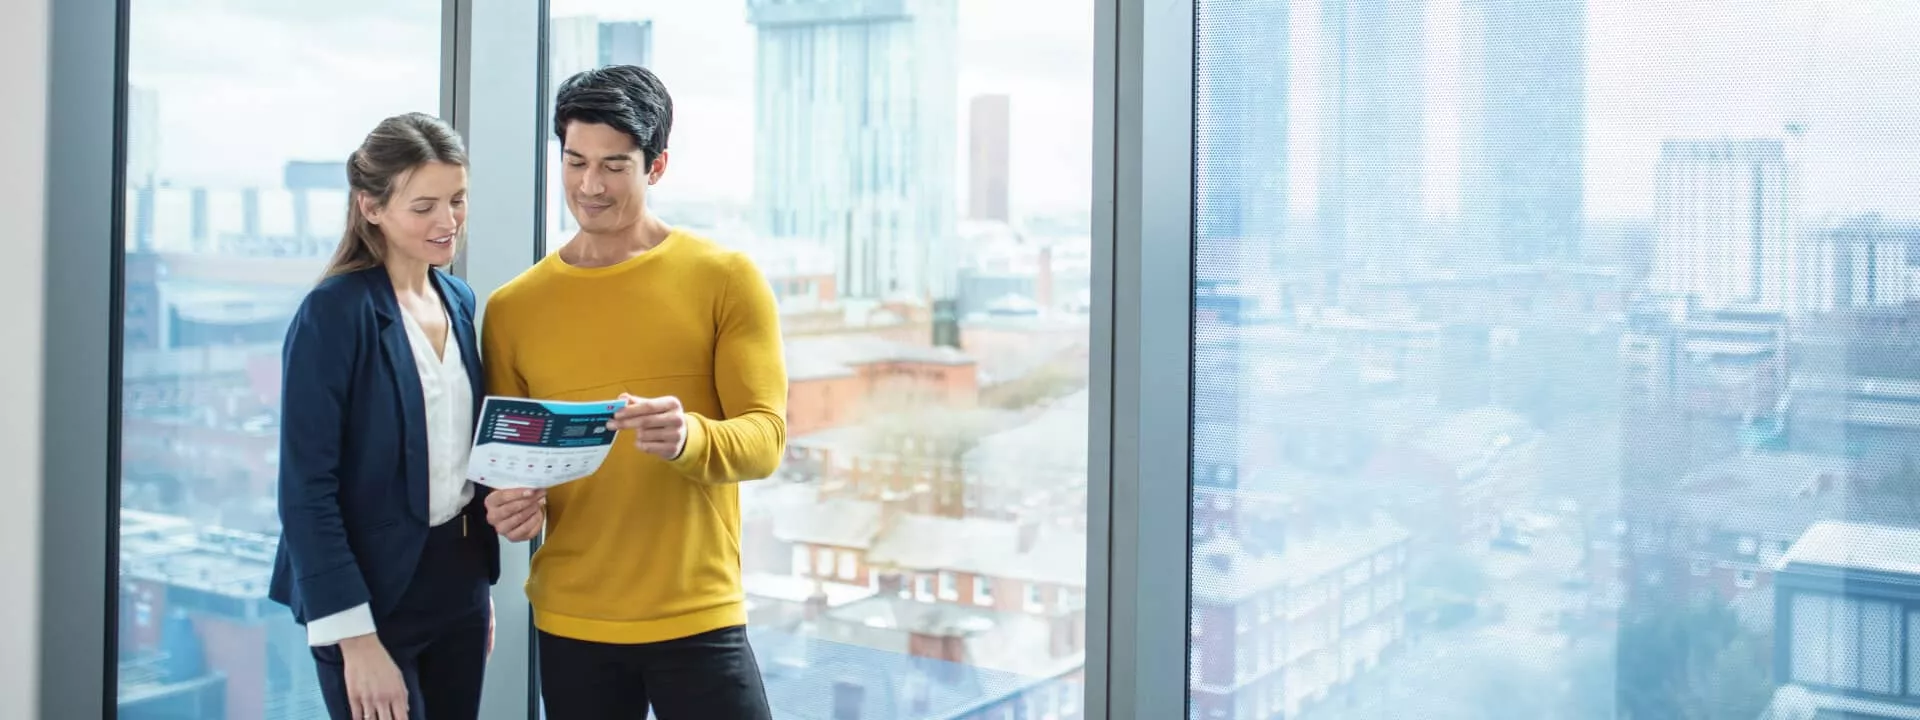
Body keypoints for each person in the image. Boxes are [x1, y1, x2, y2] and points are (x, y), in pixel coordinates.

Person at [480, 65, 786, 719]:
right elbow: (509, 471)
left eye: (614, 165)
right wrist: (510, 508)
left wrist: (689, 436)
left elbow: (766, 439)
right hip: (571, 623)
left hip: (697, 617)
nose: (589, 186)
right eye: (575, 161)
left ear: (657, 166)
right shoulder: (513, 310)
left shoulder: (725, 279)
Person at [268, 112, 500, 720]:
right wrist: (356, 640)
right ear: (371, 208)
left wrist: (476, 588)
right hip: (368, 598)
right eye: (423, 206)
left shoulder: (458, 298)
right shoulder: (333, 314)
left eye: (457, 199)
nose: (447, 222)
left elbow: (456, 453)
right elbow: (304, 491)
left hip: (458, 585)